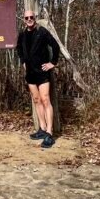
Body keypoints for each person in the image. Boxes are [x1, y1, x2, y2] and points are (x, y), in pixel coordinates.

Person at [16, 10, 59, 149]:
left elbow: (55, 46)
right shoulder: (22, 35)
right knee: (36, 100)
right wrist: (23, 62)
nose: (29, 19)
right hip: (30, 73)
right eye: (27, 17)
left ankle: (49, 133)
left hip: (42, 72)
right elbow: (19, 50)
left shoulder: (42, 32)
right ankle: (41, 128)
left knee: (45, 99)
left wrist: (52, 62)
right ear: (24, 20)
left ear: (35, 18)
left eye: (31, 17)